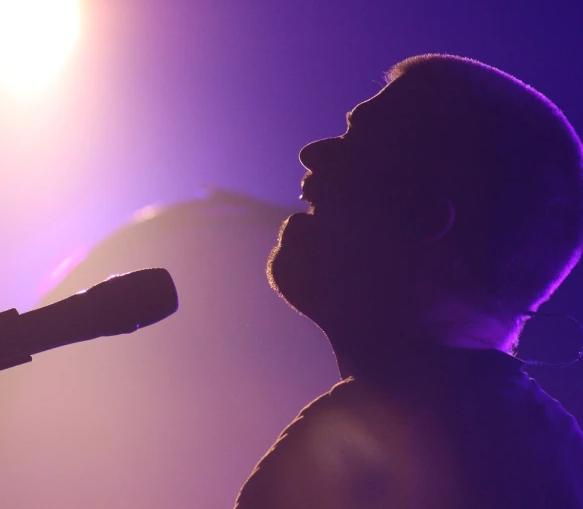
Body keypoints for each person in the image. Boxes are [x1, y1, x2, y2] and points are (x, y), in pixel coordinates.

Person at [233, 54, 583, 508]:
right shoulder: (501, 437)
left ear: (424, 216)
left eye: (361, 142)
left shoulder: (472, 457)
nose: (314, 153)